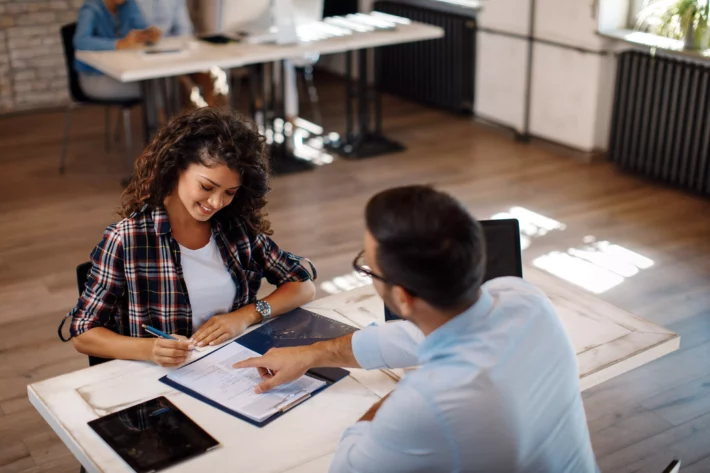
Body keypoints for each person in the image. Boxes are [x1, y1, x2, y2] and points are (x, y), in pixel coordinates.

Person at [234, 186, 599, 473]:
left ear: (404, 297)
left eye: (369, 269)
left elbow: (347, 465)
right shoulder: (523, 297)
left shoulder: (428, 403)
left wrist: (400, 399)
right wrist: (310, 353)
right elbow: (404, 339)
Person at [60, 108, 316, 368]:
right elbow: (83, 333)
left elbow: (302, 286)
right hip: (159, 387)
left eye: (230, 192)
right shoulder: (126, 241)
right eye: (207, 187)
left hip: (233, 372)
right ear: (176, 167)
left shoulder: (235, 230)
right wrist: (149, 349)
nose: (217, 202)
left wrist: (246, 316)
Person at [74, 0, 162, 100]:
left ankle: (160, 115)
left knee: (158, 84)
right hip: (95, 77)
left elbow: (141, 26)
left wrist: (149, 33)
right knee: (153, 88)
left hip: (123, 71)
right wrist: (119, 44)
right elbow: (80, 41)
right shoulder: (91, 8)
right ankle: (161, 115)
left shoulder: (128, 4)